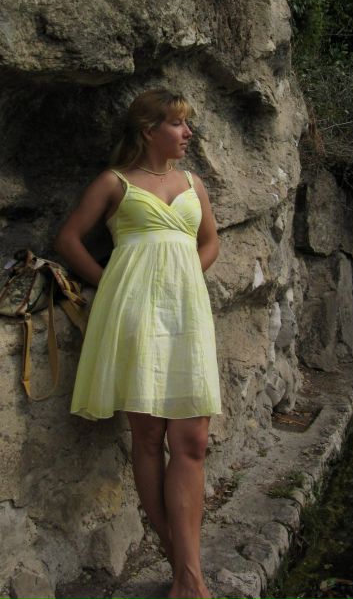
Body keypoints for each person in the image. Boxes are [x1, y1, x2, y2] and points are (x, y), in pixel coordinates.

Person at [54, 88, 222, 599]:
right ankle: (186, 574)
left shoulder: (193, 183)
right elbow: (68, 240)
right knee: (148, 440)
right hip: (135, 317)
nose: (188, 133)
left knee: (192, 442)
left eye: (187, 123)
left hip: (186, 315)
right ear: (149, 130)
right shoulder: (115, 182)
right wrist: (111, 282)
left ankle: (186, 572)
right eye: (177, 123)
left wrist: (185, 275)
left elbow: (210, 240)